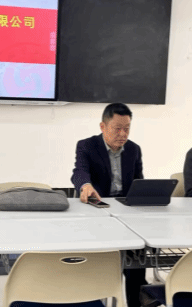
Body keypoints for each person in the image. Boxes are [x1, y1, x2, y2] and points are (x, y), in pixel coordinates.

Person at [71, 103, 153, 307]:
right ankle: (104, 294)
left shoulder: (133, 149)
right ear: (103, 126)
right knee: (117, 247)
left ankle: (138, 297)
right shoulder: (87, 146)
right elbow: (79, 172)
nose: (123, 134)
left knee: (137, 243)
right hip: (98, 209)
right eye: (117, 128)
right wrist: (86, 185)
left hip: (125, 210)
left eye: (127, 128)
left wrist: (145, 194)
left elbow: (138, 181)